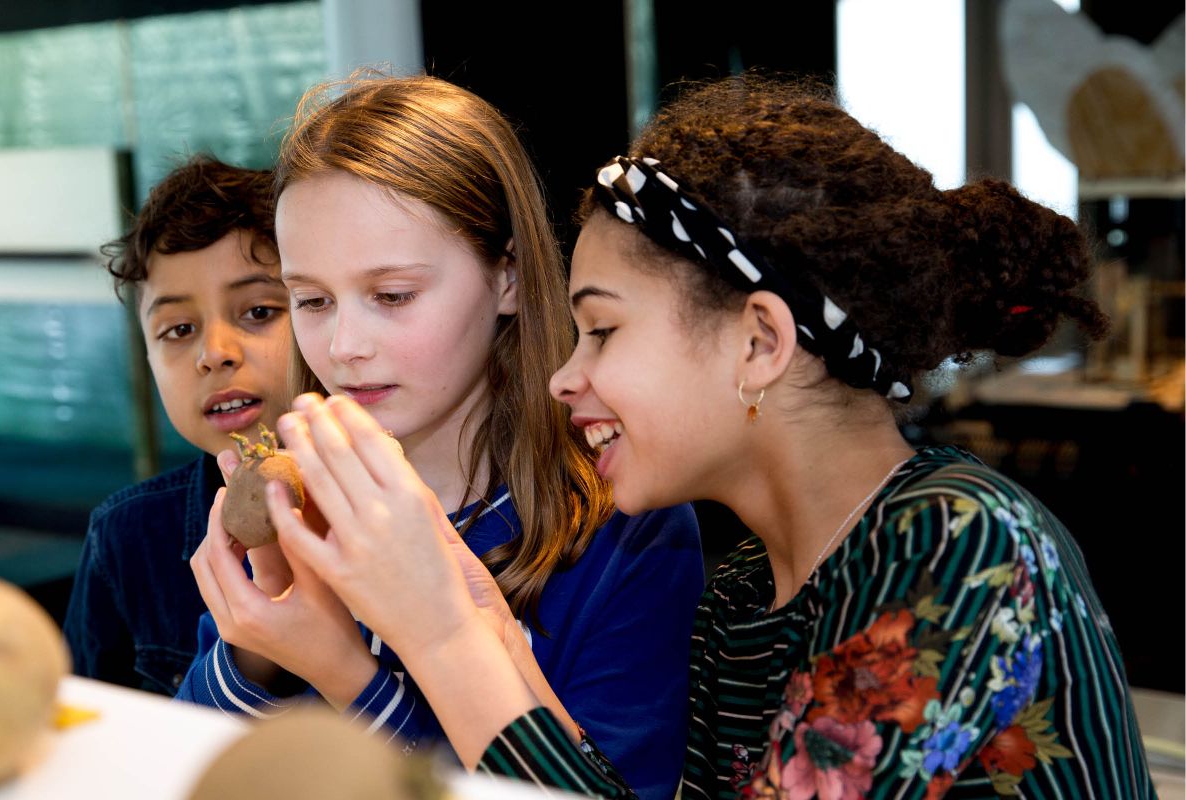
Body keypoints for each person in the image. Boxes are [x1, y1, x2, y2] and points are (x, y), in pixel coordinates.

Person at [264, 77, 1155, 799]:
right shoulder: (741, 595)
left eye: (603, 331)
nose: (563, 379)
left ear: (759, 342)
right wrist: (467, 612)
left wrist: (441, 638)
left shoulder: (953, 542)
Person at [175, 74, 704, 799]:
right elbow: (192, 770)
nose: (344, 345)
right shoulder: (294, 496)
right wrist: (248, 653)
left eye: (392, 296)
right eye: (310, 300)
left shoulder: (629, 528)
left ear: (508, 277)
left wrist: (346, 674)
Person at [63, 157, 294, 695]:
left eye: (258, 312)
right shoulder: (124, 537)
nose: (214, 354)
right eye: (179, 329)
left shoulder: (407, 511)